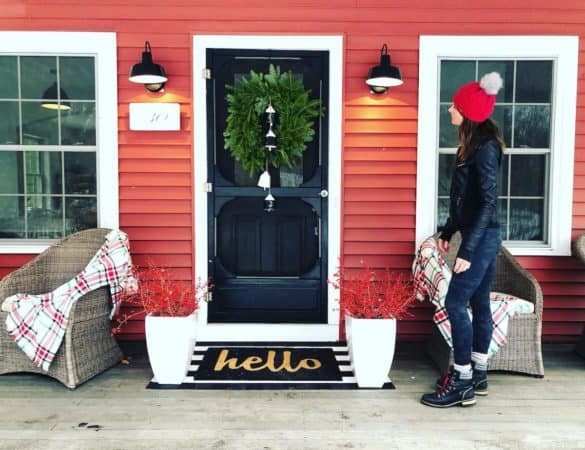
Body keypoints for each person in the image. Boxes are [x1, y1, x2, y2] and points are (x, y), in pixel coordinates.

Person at [421, 72, 505, 408]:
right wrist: (447, 231)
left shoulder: (484, 149)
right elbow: (463, 201)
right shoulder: (471, 145)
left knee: (455, 303)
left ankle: (462, 380)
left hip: (482, 238)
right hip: (477, 234)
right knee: (479, 303)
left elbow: (487, 204)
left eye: (454, 107)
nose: (449, 111)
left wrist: (468, 250)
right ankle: (479, 373)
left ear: (467, 112)